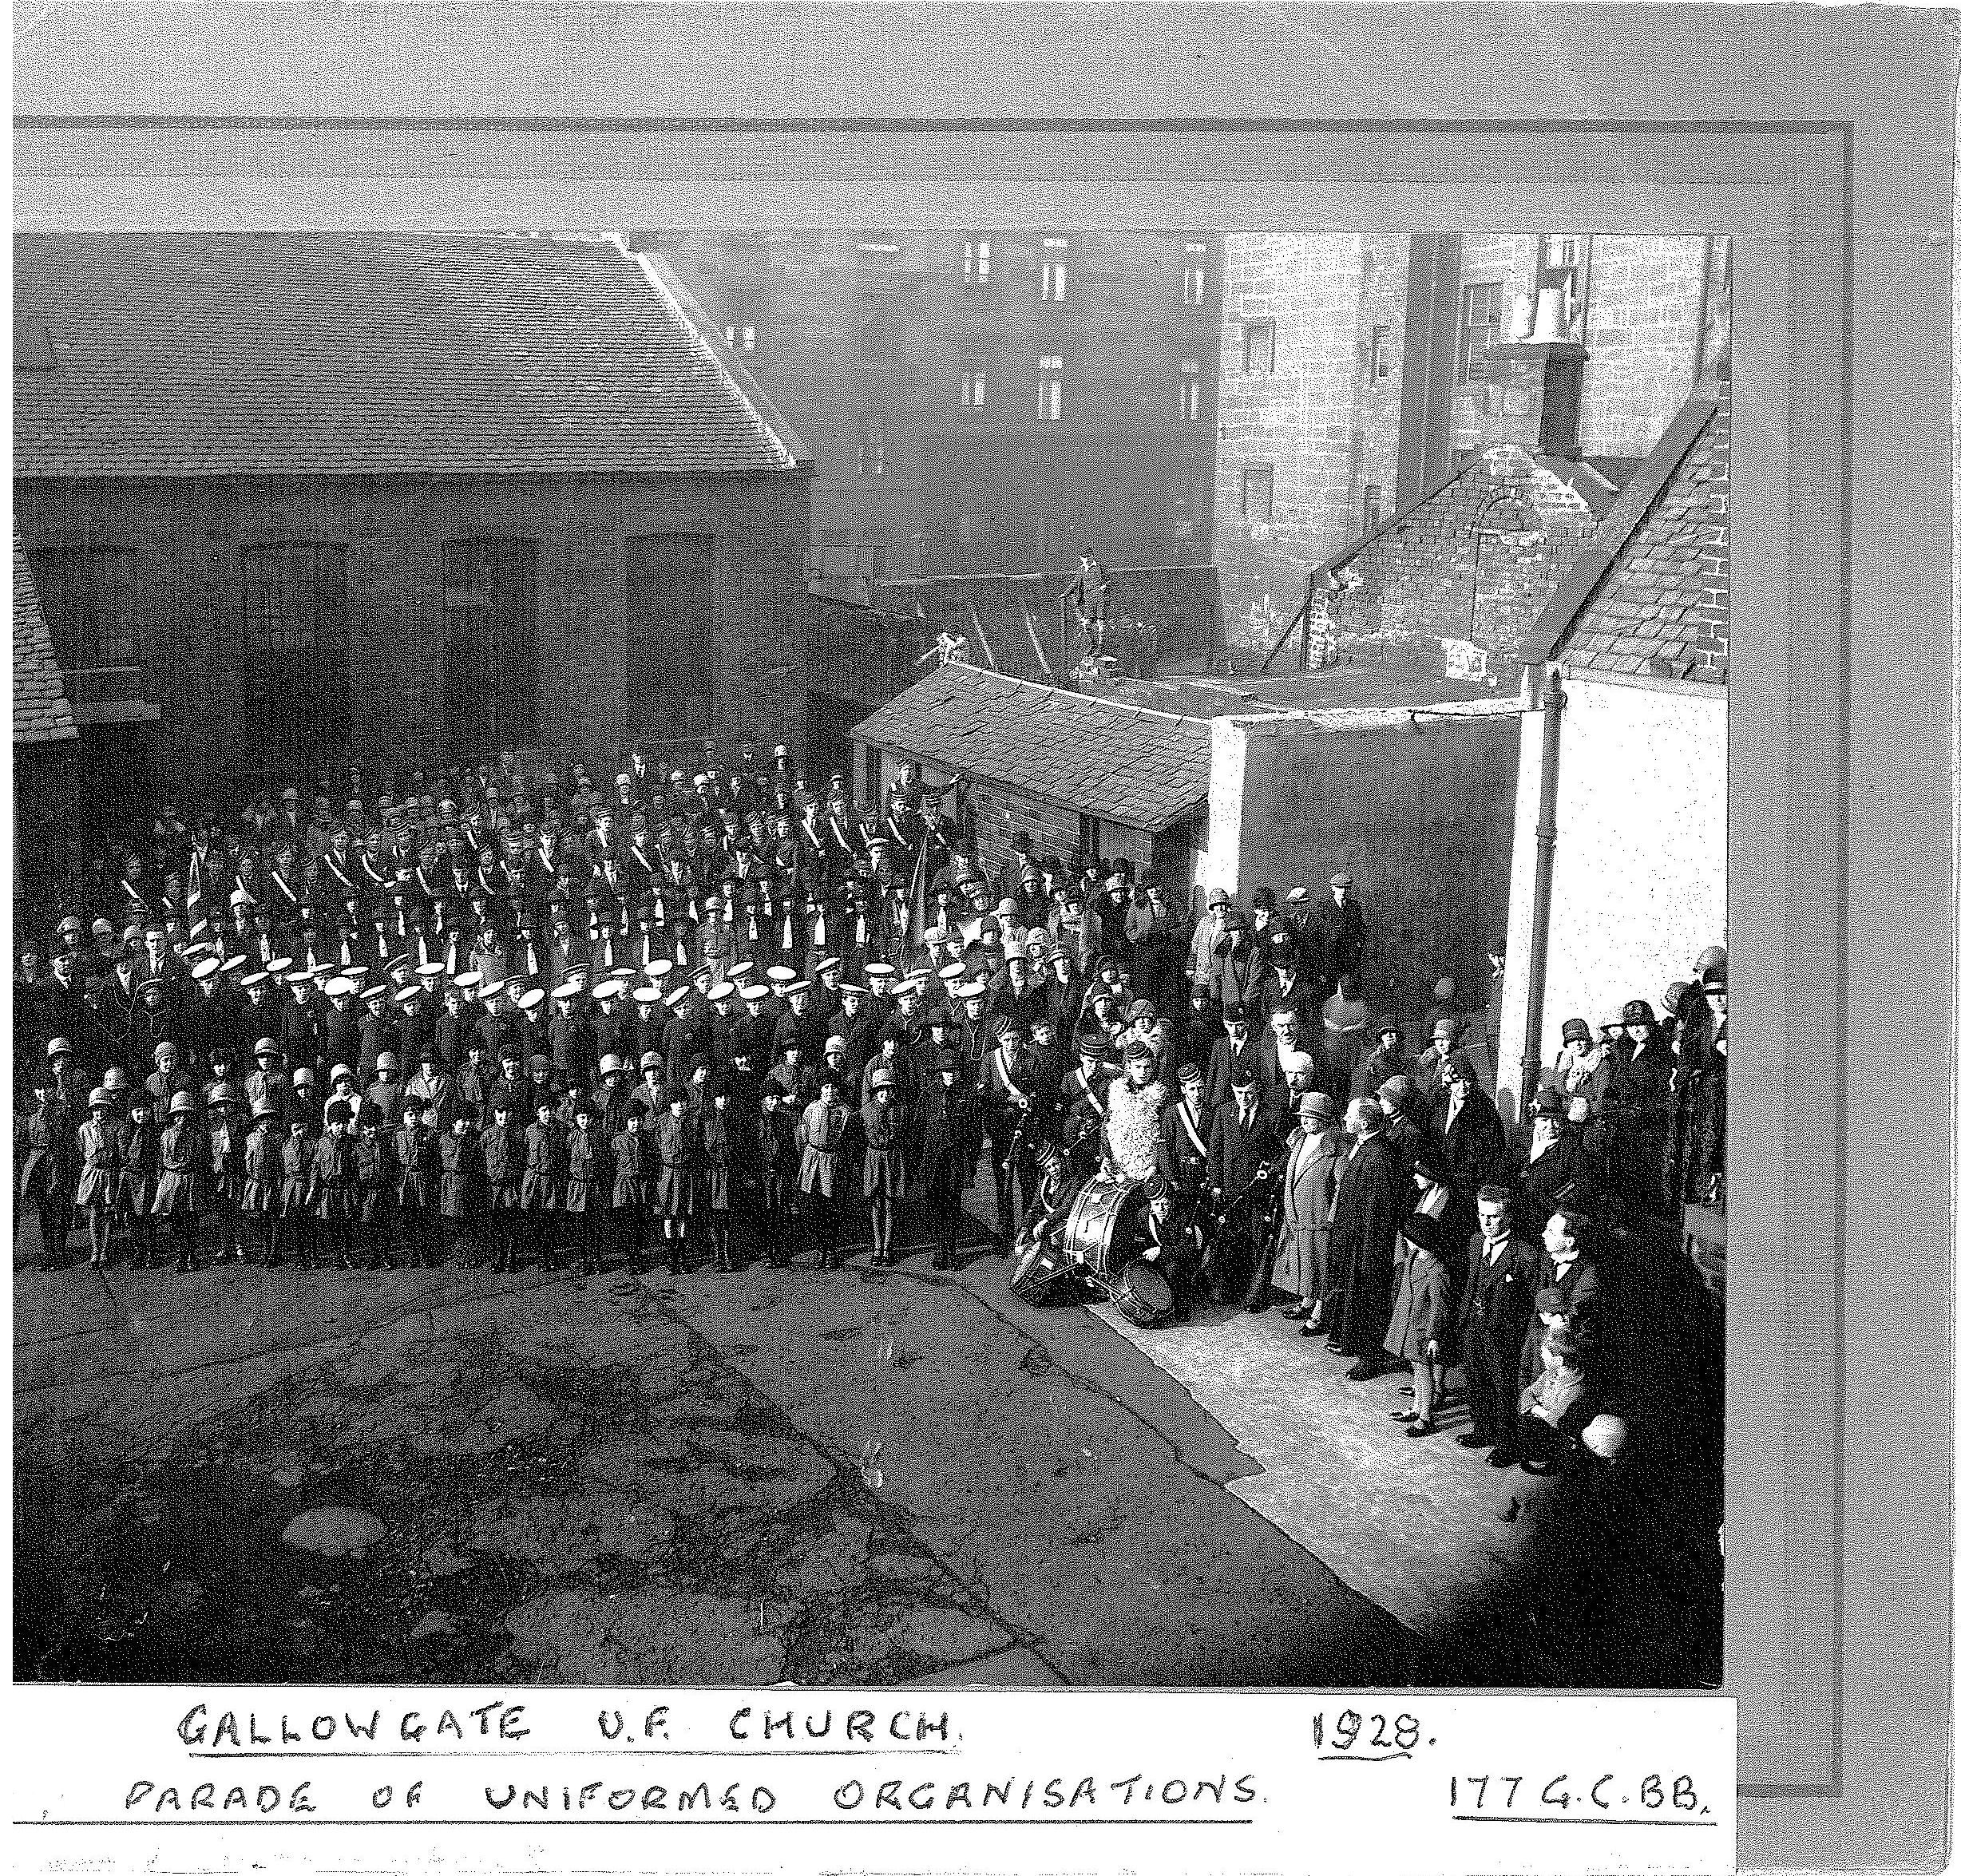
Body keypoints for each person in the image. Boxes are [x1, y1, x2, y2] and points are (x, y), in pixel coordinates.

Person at [1326, 1095, 1408, 1381]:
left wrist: (1368, 1249)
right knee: (1356, 1294)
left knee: (1368, 1297)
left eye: (1350, 1115)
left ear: (1364, 1121)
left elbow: (1377, 1209)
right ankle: (1358, 1347)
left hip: (1369, 1242)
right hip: (1354, 1237)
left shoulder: (1379, 1155)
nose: (1346, 1119)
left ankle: (1370, 1357)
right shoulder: (1362, 1148)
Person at [1456, 1184, 1536, 1468]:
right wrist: (1463, 1322)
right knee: (1475, 1380)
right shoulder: (1474, 1244)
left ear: (1509, 1216)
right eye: (1482, 1216)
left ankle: (1506, 1443)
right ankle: (1482, 1427)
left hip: (1504, 1333)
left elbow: (1530, 1302)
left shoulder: (1526, 1255)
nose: (1487, 1223)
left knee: (1502, 1387)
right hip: (1473, 1326)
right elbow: (1469, 1286)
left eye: (1494, 1218)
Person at [1385, 1210, 1456, 1437]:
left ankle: (1425, 1417)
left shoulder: (1436, 1269)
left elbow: (1439, 1306)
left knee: (1423, 1373)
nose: (1404, 1240)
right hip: (1407, 1322)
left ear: (1419, 1239)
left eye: (1408, 1237)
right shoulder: (1413, 1260)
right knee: (1419, 1371)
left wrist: (1435, 1334)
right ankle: (1418, 1407)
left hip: (1421, 1329)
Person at [1275, 1090, 1342, 1329]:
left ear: (1322, 1119)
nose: (1304, 1121)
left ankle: (1319, 1311)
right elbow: (1290, 1176)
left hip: (1319, 1214)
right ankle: (1306, 1300)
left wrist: (1331, 1216)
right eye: (1302, 1116)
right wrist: (1287, 1204)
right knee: (1301, 1260)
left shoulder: (1334, 1149)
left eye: (1310, 1117)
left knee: (1320, 1264)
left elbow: (1338, 1189)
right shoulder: (1299, 1141)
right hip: (1297, 1211)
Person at [796, 1071, 851, 1269]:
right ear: (820, 1090)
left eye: (833, 1087)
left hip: (833, 1160)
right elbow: (802, 1135)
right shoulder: (811, 1109)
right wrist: (807, 1157)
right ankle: (821, 1246)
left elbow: (849, 1141)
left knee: (832, 1207)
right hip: (812, 1159)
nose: (830, 1091)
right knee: (814, 1206)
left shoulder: (845, 1111)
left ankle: (831, 1248)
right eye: (826, 1087)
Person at [860, 1063, 908, 1266]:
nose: (885, 1094)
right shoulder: (865, 1112)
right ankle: (876, 1247)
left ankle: (887, 1248)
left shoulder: (901, 1110)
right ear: (875, 1091)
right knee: (875, 1204)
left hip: (893, 1158)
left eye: (889, 1089)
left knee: (890, 1205)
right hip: (873, 1158)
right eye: (881, 1090)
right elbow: (859, 1139)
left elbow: (906, 1136)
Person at [74, 1086, 121, 1268]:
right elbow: (82, 1151)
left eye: (103, 1108)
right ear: (91, 1110)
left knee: (109, 1211)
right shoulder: (84, 1128)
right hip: (92, 1172)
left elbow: (120, 1151)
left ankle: (105, 1251)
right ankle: (95, 1249)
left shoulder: (116, 1126)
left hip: (110, 1172)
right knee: (94, 1213)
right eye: (95, 1108)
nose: (99, 1112)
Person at [117, 1089, 162, 1269]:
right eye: (137, 1111)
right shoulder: (125, 1131)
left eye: (146, 1110)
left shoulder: (156, 1132)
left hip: (148, 1177)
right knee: (133, 1218)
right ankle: (138, 1252)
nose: (142, 1114)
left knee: (148, 1217)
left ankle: (151, 1253)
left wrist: (158, 1176)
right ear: (131, 1112)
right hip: (129, 1177)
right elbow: (121, 1155)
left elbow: (160, 1156)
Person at [240, 1094, 281, 1265]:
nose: (265, 1122)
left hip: (272, 1183)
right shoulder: (250, 1138)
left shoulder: (278, 1138)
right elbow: (247, 1161)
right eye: (261, 1119)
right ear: (256, 1121)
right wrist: (252, 1179)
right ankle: (265, 1250)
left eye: (268, 1118)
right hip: (256, 1183)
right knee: (260, 1218)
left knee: (273, 1218)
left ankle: (273, 1253)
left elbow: (281, 1161)